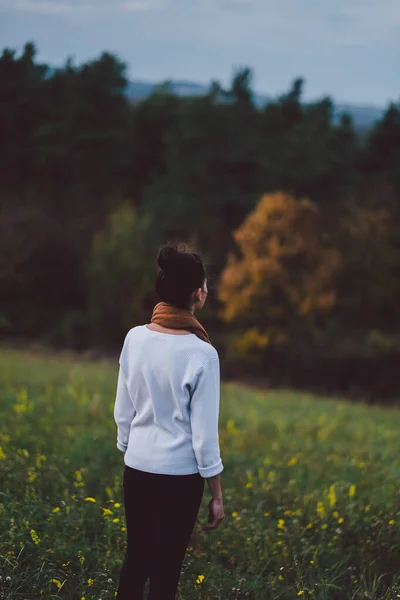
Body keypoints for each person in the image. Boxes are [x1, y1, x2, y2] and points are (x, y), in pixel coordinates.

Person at [114, 243, 225, 600]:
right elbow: (204, 438)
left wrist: (133, 450)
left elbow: (123, 411)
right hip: (181, 479)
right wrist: (217, 495)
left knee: (136, 559)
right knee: (167, 568)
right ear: (197, 293)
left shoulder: (135, 338)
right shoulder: (203, 354)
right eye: (206, 284)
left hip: (138, 469)